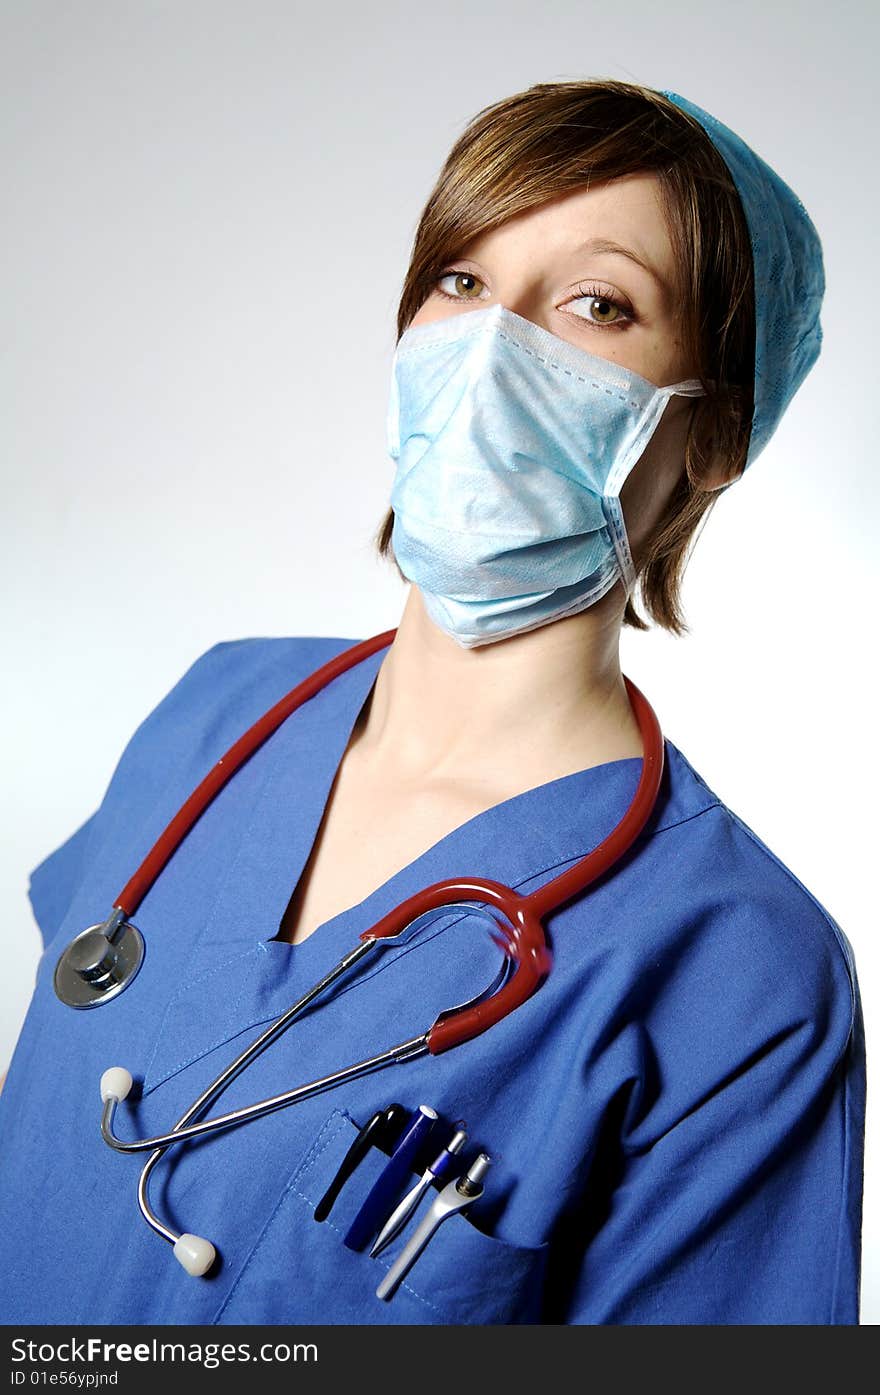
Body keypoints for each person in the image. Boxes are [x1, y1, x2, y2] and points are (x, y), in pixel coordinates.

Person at [0, 78, 865, 1326]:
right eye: (458, 281)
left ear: (718, 432)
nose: (488, 343)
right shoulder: (215, 711)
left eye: (596, 304)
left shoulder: (740, 973)